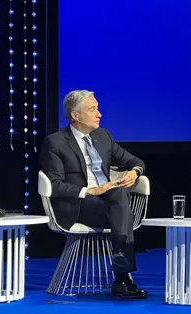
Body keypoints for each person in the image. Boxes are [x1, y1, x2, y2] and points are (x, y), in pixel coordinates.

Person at [38, 90, 147, 299]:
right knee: (121, 207)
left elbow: (136, 161)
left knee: (119, 194)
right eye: (92, 109)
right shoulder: (55, 142)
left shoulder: (103, 136)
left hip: (108, 203)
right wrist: (89, 190)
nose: (99, 114)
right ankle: (123, 277)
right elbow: (56, 185)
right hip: (78, 205)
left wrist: (134, 173)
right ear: (75, 115)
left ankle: (122, 276)